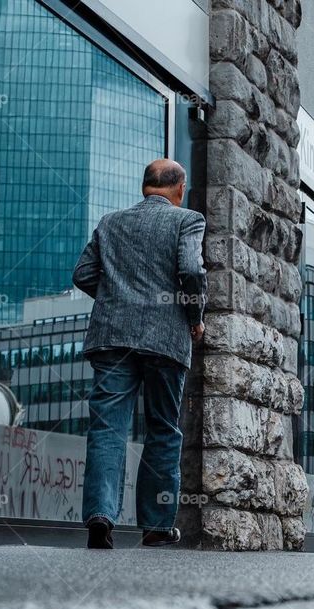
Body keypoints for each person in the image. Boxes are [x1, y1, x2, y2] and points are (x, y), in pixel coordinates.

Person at [72, 159, 206, 549]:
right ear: (179, 189)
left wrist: (118, 301)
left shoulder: (110, 222)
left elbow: (82, 274)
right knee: (163, 428)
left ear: (144, 186)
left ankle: (101, 516)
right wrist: (194, 317)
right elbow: (191, 271)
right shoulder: (187, 220)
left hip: (111, 337)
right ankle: (156, 526)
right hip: (165, 340)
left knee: (107, 428)